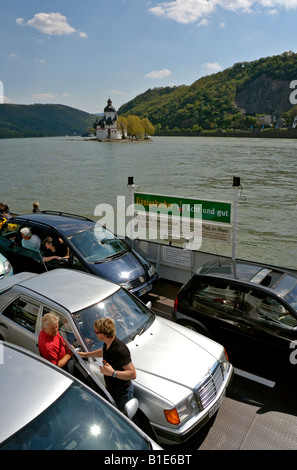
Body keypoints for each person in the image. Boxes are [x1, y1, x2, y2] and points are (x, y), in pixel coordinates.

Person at [78, 317, 136, 411]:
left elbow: (133, 374)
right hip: (112, 388)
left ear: (103, 334)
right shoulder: (108, 343)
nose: (94, 333)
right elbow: (102, 352)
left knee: (122, 417)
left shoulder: (121, 351)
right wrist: (85, 354)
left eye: (96, 332)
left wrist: (113, 373)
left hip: (121, 393)